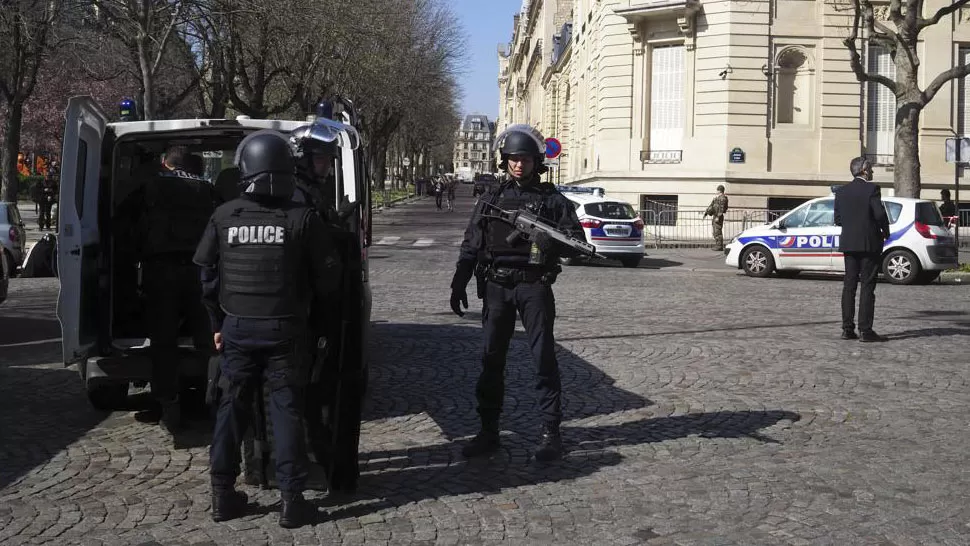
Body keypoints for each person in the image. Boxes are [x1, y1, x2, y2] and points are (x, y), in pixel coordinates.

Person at [194, 130, 343, 528]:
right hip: (287, 329)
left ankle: (222, 495)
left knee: (231, 409)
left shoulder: (225, 216)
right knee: (286, 411)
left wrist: (216, 324)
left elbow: (206, 275)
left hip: (237, 328)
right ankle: (292, 501)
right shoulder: (303, 219)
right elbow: (329, 281)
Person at [449, 123, 583, 462]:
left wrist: (548, 242)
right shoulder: (491, 198)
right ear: (504, 161)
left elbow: (578, 245)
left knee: (543, 360)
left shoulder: (552, 201)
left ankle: (551, 433)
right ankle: (488, 431)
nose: (518, 165)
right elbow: (471, 243)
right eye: (512, 159)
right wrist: (458, 281)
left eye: (524, 158)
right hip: (496, 286)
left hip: (533, 287)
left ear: (536, 161)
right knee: (491, 359)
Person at [125, 145, 217, 430]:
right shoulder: (209, 190)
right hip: (200, 270)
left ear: (165, 164)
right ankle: (212, 399)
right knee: (207, 339)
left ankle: (169, 405)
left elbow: (126, 225)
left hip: (160, 270)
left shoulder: (150, 187)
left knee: (164, 341)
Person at [834, 157, 890, 343]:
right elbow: (880, 214)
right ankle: (865, 330)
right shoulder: (872, 189)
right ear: (865, 170)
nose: (873, 171)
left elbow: (838, 219)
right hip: (868, 243)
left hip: (849, 243)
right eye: (871, 168)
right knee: (867, 286)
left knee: (849, 286)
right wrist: (885, 230)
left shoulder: (841, 191)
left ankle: (847, 328)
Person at [703, 185, 729, 251]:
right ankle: (717, 244)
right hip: (715, 216)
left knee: (718, 231)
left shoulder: (723, 198)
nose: (716, 191)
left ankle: (719, 246)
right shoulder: (717, 198)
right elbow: (712, 206)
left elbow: (721, 209)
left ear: (719, 190)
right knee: (715, 231)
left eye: (717, 190)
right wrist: (707, 212)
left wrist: (718, 216)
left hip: (718, 217)